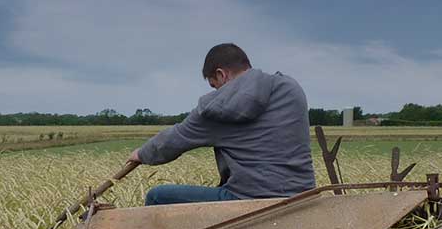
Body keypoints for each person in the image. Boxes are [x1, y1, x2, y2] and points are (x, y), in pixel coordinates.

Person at [127, 43, 316, 205]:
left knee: (157, 196)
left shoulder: (217, 108)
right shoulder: (291, 88)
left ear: (221, 74)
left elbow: (174, 140)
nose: (216, 91)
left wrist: (142, 154)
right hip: (302, 196)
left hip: (249, 200)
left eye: (213, 84)